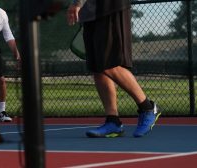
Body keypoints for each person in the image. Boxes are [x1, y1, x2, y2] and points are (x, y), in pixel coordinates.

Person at [67, 0, 161, 137]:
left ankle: (148, 107)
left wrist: (77, 3)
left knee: (109, 64)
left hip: (109, 8)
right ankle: (113, 122)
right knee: (98, 68)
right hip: (89, 14)